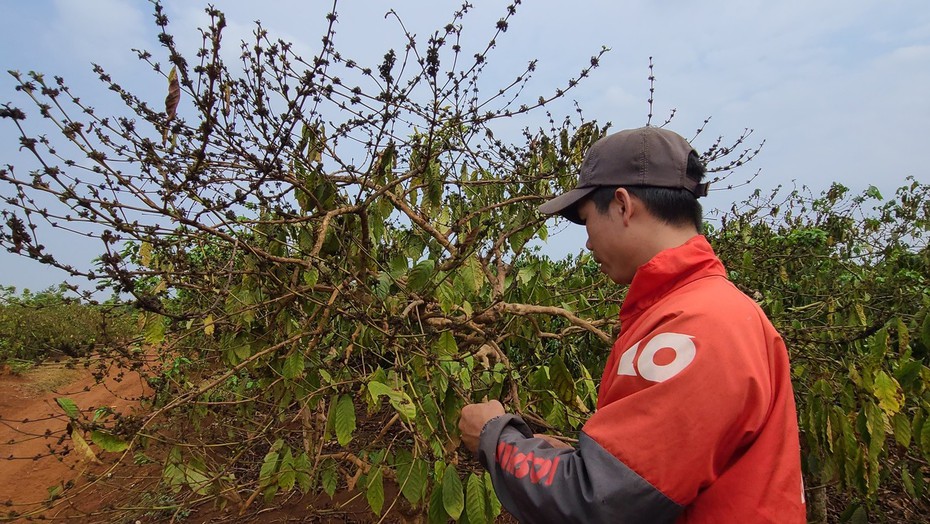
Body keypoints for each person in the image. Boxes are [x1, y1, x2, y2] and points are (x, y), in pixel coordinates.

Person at [459, 126, 806, 523]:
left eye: (587, 220)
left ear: (622, 205)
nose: (588, 244)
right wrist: (573, 458)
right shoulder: (710, 309)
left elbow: (598, 502)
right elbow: (656, 476)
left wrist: (494, 436)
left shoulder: (695, 326)